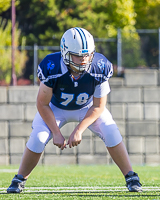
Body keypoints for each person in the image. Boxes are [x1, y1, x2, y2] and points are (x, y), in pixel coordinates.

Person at [7, 27, 142, 193]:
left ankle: (131, 176)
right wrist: (56, 132)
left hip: (87, 107)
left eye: (87, 55)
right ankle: (19, 179)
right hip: (55, 108)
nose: (84, 60)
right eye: (78, 55)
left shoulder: (100, 66)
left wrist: (79, 129)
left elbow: (99, 106)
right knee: (38, 137)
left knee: (111, 130)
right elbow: (42, 104)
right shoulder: (52, 66)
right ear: (65, 53)